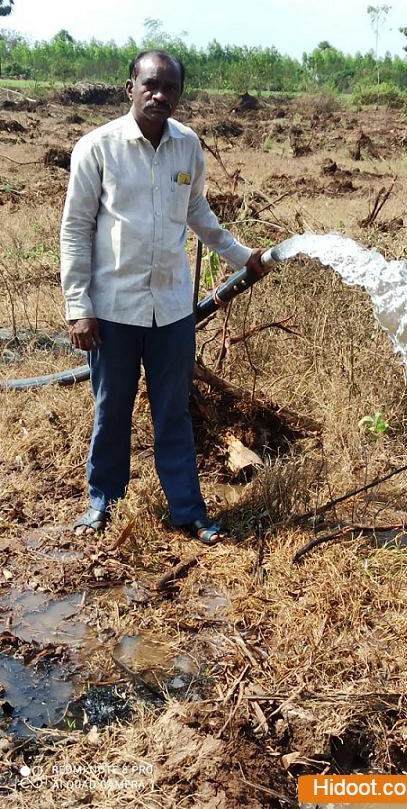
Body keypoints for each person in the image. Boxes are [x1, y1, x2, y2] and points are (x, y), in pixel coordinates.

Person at [60, 50, 265, 545]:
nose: (159, 95)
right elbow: (74, 230)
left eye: (170, 88)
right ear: (129, 87)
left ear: (179, 94)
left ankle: (188, 512)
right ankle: (102, 502)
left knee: (172, 412)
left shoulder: (187, 146)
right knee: (112, 408)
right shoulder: (98, 148)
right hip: (113, 310)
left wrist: (243, 257)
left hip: (171, 310)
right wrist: (79, 308)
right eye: (150, 85)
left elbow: (198, 213)